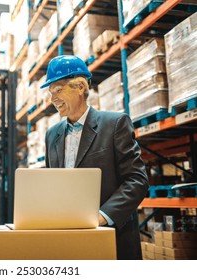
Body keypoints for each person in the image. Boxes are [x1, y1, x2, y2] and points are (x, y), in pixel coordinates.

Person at [40, 55, 149, 260]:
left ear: (80, 86)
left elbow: (137, 181)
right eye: (50, 92)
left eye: (58, 89)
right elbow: (52, 184)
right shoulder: (52, 135)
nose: (52, 98)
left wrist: (101, 217)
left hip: (111, 236)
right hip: (67, 238)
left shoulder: (115, 124)